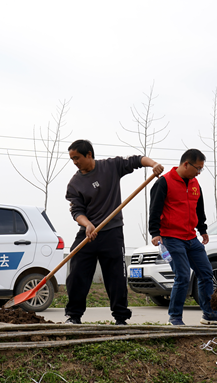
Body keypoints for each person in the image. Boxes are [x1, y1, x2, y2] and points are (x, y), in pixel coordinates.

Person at [64, 139, 164, 325]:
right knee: (77, 273)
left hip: (112, 232)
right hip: (88, 233)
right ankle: (74, 316)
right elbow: (77, 211)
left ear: (89, 154)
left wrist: (154, 164)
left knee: (116, 276)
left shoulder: (110, 166)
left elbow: (137, 160)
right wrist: (87, 225)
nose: (74, 162)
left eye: (77, 158)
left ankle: (120, 318)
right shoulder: (75, 183)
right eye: (72, 159)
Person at [148, 149, 217, 326]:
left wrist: (203, 229)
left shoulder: (195, 183)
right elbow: (155, 209)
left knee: (206, 273)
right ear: (185, 164)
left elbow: (199, 209)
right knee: (182, 276)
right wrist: (155, 233)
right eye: (197, 168)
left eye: (201, 169)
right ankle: (175, 317)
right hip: (171, 238)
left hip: (191, 238)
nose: (199, 172)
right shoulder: (164, 182)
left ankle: (209, 314)